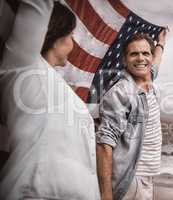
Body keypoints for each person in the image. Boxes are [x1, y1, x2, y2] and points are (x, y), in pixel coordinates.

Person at [0, 1, 100, 199]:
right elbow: (38, 4)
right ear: (54, 34)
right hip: (34, 193)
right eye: (71, 35)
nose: (73, 43)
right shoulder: (23, 66)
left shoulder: (56, 84)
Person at [96, 29, 168, 200]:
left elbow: (155, 64)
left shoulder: (148, 78)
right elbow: (104, 144)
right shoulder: (121, 93)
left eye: (145, 53)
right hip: (131, 180)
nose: (141, 58)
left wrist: (161, 44)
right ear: (124, 60)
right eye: (134, 54)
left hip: (147, 178)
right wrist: (106, 196)